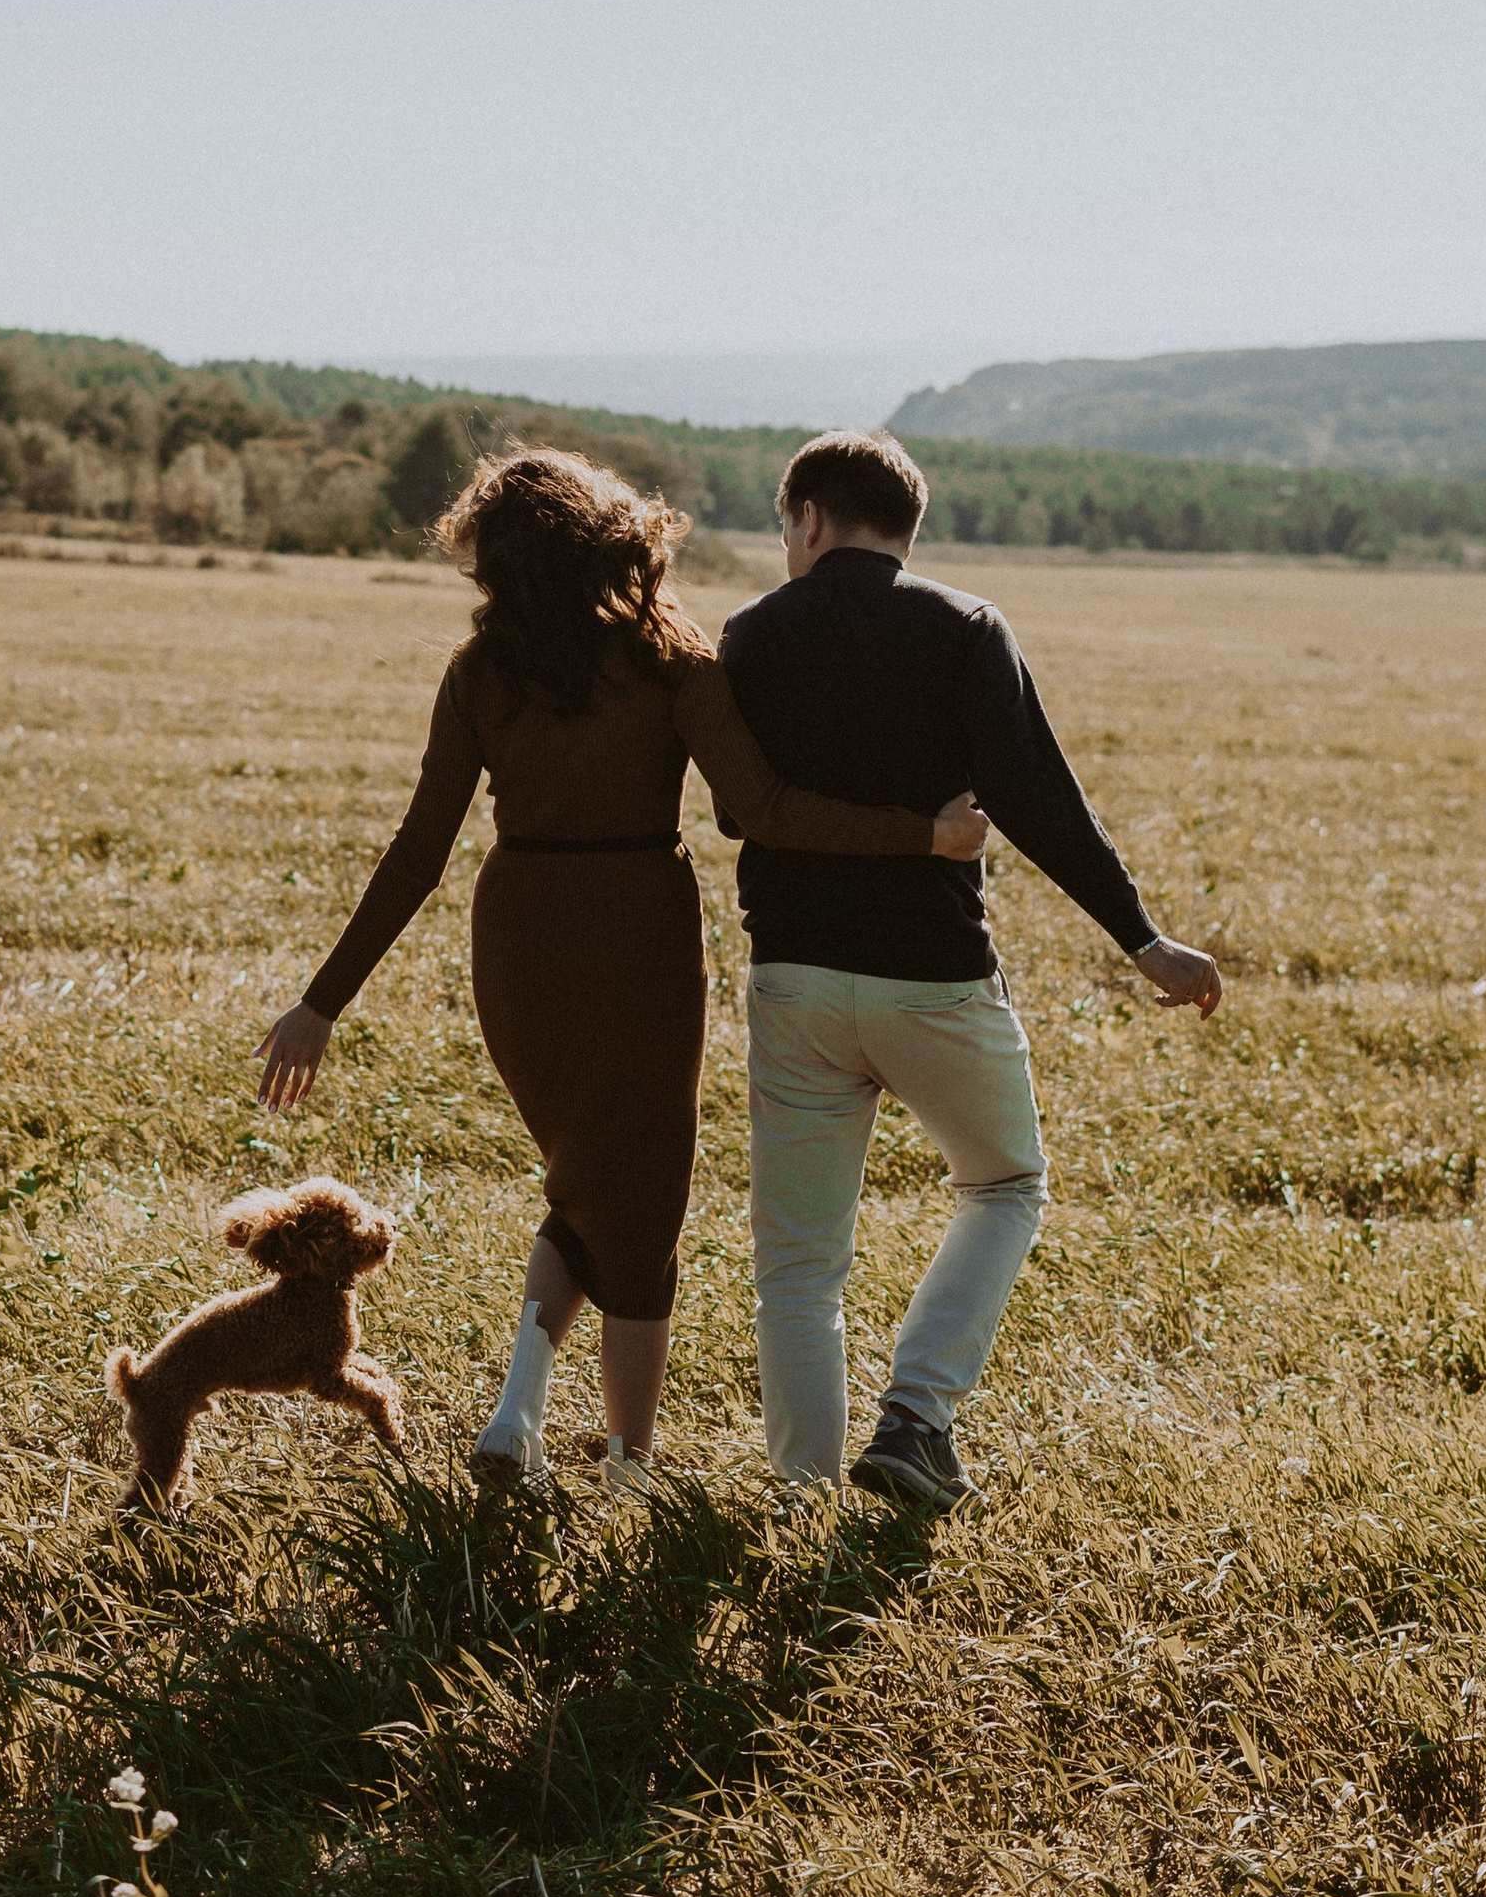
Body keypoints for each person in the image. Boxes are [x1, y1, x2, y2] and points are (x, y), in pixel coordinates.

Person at [255, 446, 988, 1493]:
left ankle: (522, 1411)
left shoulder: (481, 672)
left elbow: (418, 853)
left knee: (589, 1182)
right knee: (636, 1210)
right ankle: (628, 1466)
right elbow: (765, 811)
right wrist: (924, 835)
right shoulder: (669, 655)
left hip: (519, 939)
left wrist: (320, 1003)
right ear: (606, 536)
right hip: (639, 932)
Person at [716, 430, 1220, 1515]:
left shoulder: (752, 632)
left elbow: (736, 811)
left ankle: (800, 1506)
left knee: (797, 1268)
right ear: (908, 525)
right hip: (931, 975)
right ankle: (915, 1417)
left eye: (785, 525)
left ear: (810, 517)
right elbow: (1039, 800)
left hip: (792, 976)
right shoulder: (965, 626)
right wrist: (1143, 940)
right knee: (1003, 1185)